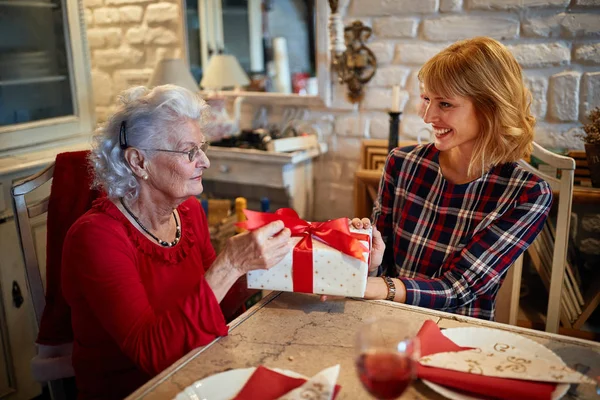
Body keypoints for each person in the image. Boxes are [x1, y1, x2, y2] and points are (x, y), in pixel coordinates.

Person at [62, 85, 291, 399]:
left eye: (202, 147)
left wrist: (259, 265)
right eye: (190, 152)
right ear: (139, 162)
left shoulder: (188, 212)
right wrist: (230, 264)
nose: (205, 162)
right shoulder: (95, 237)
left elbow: (216, 305)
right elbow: (151, 356)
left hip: (198, 374)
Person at [353, 37, 553, 321]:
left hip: (458, 335)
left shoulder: (527, 194)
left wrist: (374, 286)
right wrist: (368, 261)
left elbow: (458, 288)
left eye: (445, 104)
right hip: (386, 318)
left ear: (490, 107)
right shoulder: (402, 163)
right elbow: (382, 264)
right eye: (426, 99)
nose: (428, 116)